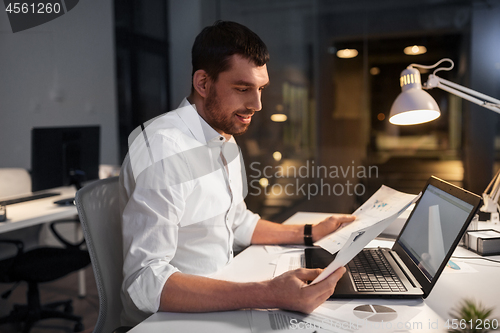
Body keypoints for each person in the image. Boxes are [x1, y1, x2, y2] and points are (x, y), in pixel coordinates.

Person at [119, 20, 355, 326]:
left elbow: (237, 221)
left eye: (260, 89)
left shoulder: (223, 137)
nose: (256, 105)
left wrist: (310, 232)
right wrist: (268, 293)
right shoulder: (164, 149)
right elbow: (144, 280)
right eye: (243, 89)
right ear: (203, 84)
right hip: (171, 318)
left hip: (222, 290)